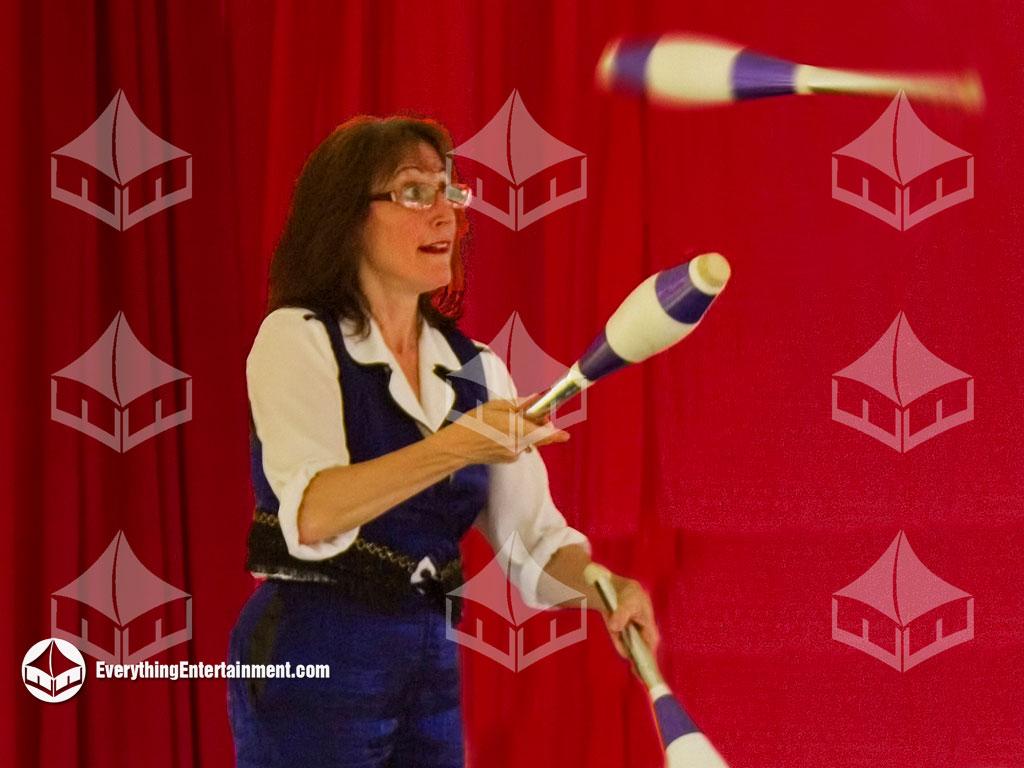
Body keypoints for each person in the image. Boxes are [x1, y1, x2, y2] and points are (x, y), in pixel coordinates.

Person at [227, 114, 661, 768]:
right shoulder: (298, 338)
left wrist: (605, 585)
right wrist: (458, 447)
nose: (445, 214)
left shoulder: (475, 369)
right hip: (311, 653)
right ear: (347, 217)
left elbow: (533, 545)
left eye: (449, 191)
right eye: (412, 191)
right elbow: (312, 514)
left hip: (428, 662)